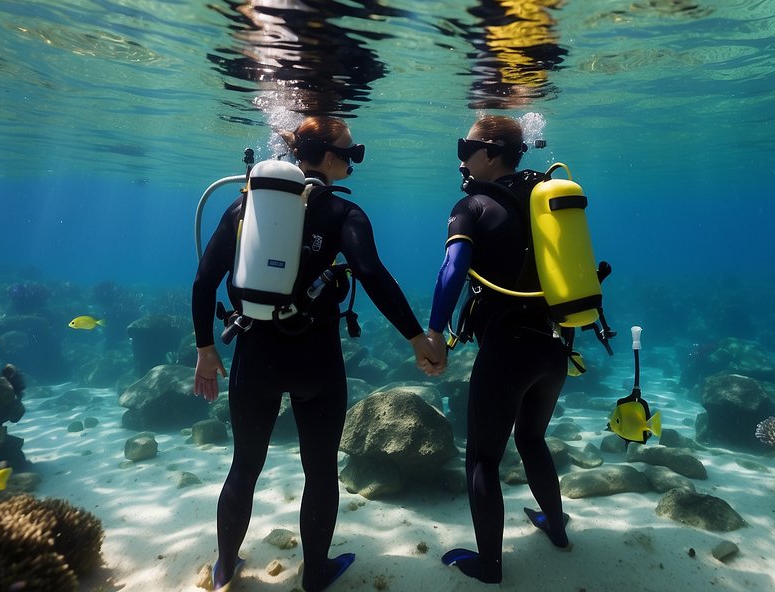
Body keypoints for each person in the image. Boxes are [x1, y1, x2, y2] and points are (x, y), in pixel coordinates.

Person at [191, 116, 442, 592]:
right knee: (321, 469)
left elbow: (205, 281)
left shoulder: (244, 206)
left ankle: (225, 567)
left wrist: (206, 348)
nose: (354, 160)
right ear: (327, 158)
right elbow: (371, 273)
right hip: (316, 361)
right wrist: (416, 338)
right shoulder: (345, 214)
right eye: (351, 152)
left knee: (244, 466)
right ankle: (317, 572)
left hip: (255, 354)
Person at [426, 114, 572, 584]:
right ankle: (557, 529)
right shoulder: (545, 198)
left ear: (489, 152)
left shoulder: (472, 206)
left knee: (483, 458)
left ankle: (489, 565)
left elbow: (452, 270)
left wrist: (434, 331)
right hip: (554, 348)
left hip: (507, 351)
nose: (461, 157)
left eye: (463, 146)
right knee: (531, 439)